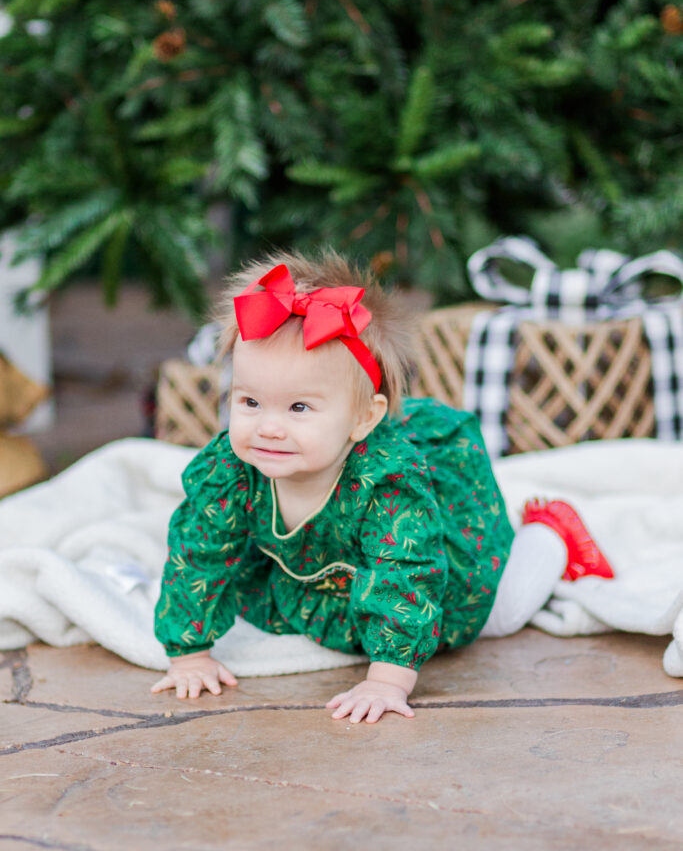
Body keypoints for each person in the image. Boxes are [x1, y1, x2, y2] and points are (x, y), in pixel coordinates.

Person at [151, 250, 613, 723]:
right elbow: (198, 548)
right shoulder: (230, 469)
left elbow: (405, 571)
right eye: (249, 401)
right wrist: (188, 653)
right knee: (251, 585)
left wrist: (386, 680)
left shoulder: (386, 481)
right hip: (317, 575)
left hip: (434, 578)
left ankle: (551, 530)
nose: (267, 427)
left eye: (299, 409)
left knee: (501, 613)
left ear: (363, 418)